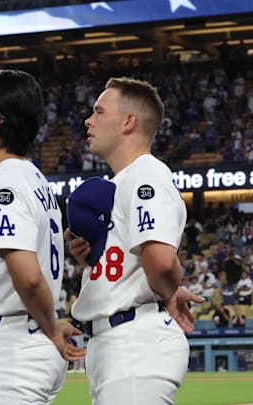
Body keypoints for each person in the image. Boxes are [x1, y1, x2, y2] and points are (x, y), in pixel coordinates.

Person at [65, 77, 205, 404]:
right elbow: (147, 266)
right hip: (117, 343)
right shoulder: (125, 181)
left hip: (135, 342)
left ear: (129, 122)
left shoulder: (147, 176)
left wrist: (167, 290)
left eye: (99, 112)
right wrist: (91, 261)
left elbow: (161, 262)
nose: (89, 120)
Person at [0, 69, 84, 404]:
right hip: (27, 337)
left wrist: (52, 328)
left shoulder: (5, 182)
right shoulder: (35, 178)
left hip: (13, 346)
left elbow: (28, 278)